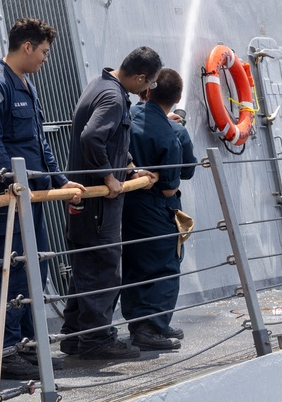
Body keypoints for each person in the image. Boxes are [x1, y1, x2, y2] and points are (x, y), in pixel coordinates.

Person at [0, 18, 85, 380]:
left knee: (38, 267)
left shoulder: (26, 84)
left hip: (30, 196)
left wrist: (62, 181)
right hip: (6, 199)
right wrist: (14, 182)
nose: (46, 59)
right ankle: (4, 355)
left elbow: (39, 142)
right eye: (45, 52)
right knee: (13, 275)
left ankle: (29, 347)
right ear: (27, 47)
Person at [59, 46, 162, 360]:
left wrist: (129, 168)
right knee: (103, 269)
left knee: (85, 267)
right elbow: (92, 137)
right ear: (140, 77)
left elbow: (111, 140)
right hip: (98, 205)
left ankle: (75, 337)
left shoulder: (100, 85)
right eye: (149, 84)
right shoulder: (115, 97)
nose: (148, 90)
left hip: (89, 205)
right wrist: (108, 177)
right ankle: (97, 340)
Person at [120, 68, 194, 351]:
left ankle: (144, 322)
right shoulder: (173, 132)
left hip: (127, 205)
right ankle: (151, 328)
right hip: (157, 207)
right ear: (176, 98)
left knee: (136, 263)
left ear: (147, 91)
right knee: (165, 266)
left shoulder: (129, 117)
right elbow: (177, 179)